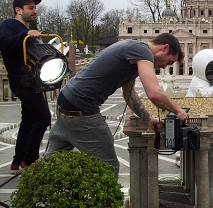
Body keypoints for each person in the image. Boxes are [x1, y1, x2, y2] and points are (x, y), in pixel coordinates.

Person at [45, 33, 188, 176]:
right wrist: (178, 111)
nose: (164, 67)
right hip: (82, 111)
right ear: (165, 48)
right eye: (169, 62)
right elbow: (154, 93)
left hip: (65, 103)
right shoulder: (143, 52)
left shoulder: (133, 48)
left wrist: (148, 119)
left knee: (49, 167)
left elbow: (129, 94)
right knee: (108, 168)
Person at [0, 0, 51, 173]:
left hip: (33, 81)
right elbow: (4, 44)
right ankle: (30, 161)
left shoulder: (29, 31)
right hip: (22, 81)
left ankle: (17, 162)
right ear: (18, 10)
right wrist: (25, 35)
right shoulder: (9, 25)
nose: (35, 11)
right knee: (43, 117)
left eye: (35, 8)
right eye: (30, 8)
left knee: (29, 120)